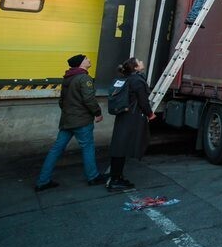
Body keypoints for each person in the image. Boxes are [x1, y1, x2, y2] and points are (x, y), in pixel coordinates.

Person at [35, 54, 104, 191]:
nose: (89, 60)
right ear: (80, 63)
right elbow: (89, 99)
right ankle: (93, 177)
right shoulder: (84, 78)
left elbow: (61, 101)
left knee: (56, 150)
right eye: (86, 59)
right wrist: (97, 113)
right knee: (87, 148)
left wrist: (69, 113)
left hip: (67, 121)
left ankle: (42, 181)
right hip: (82, 121)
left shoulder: (67, 78)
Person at [106, 57, 156, 191]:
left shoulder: (126, 78)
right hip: (132, 117)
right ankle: (115, 180)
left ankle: (117, 176)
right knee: (122, 147)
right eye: (139, 61)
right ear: (135, 67)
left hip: (123, 115)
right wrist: (150, 114)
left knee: (119, 145)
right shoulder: (137, 81)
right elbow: (143, 101)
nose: (142, 62)